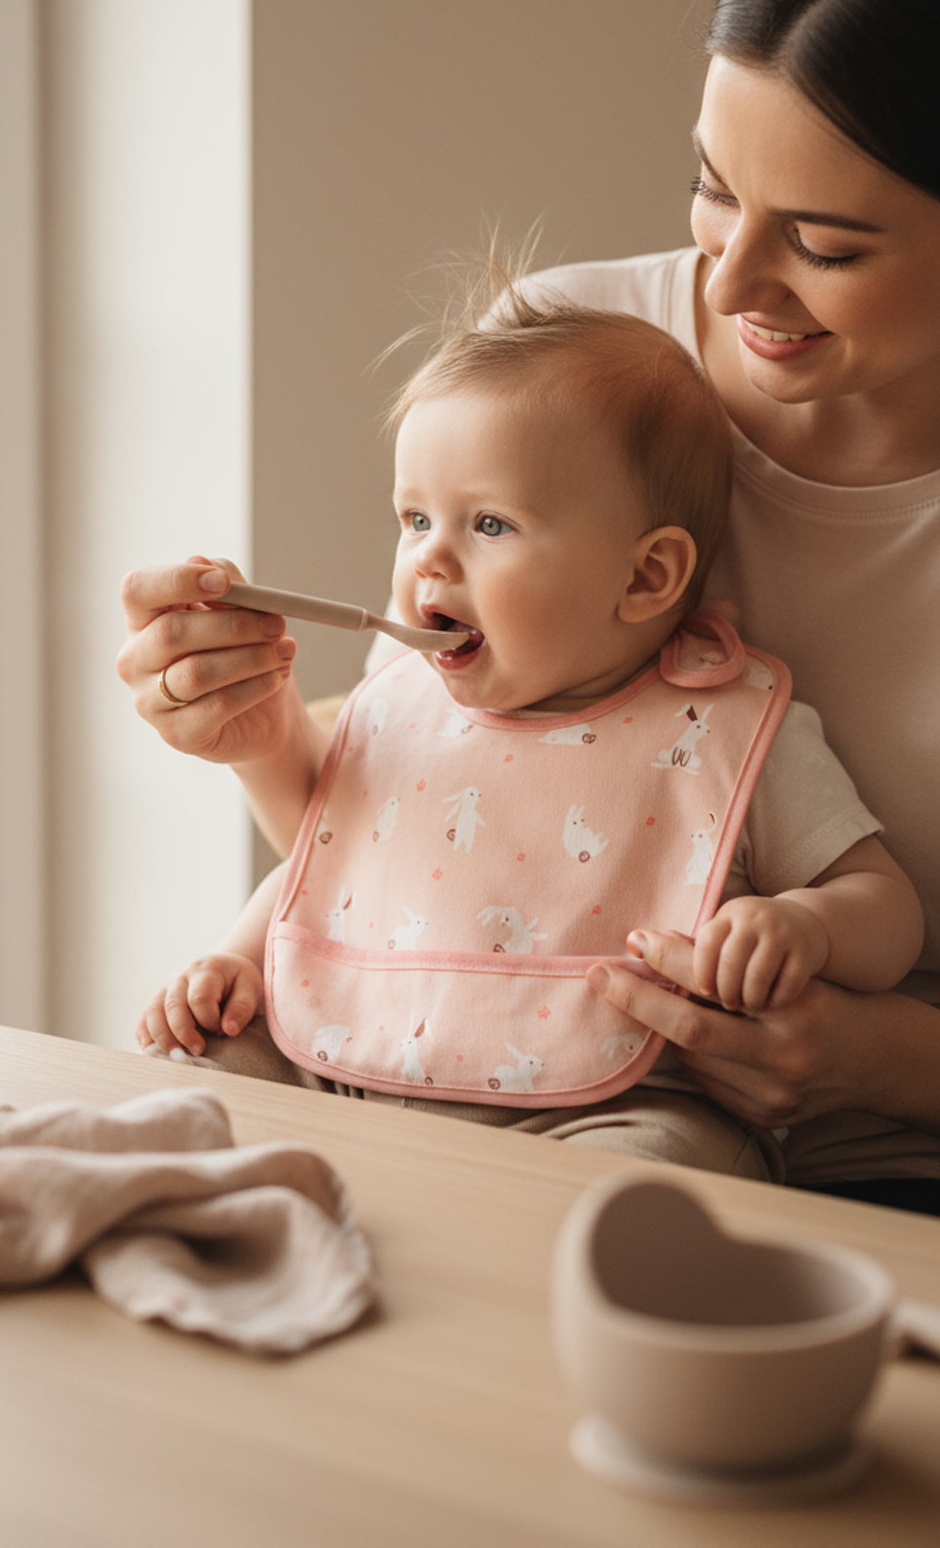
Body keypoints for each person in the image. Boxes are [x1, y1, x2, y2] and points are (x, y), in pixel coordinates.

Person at [117, 0, 940, 1209]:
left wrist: (868, 1053)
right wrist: (251, 739)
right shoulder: (561, 366)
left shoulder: (741, 712)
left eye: (828, 245)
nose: (726, 284)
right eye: (713, 187)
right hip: (422, 1077)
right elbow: (427, 813)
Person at [134, 289, 921, 1178]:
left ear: (648, 575)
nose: (428, 558)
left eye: (490, 524)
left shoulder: (725, 728)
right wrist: (236, 966)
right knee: (186, 1085)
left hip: (604, 1110)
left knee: (674, 1171)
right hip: (340, 1068)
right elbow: (323, 859)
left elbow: (887, 910)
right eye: (415, 519)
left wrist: (804, 927)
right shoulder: (403, 700)